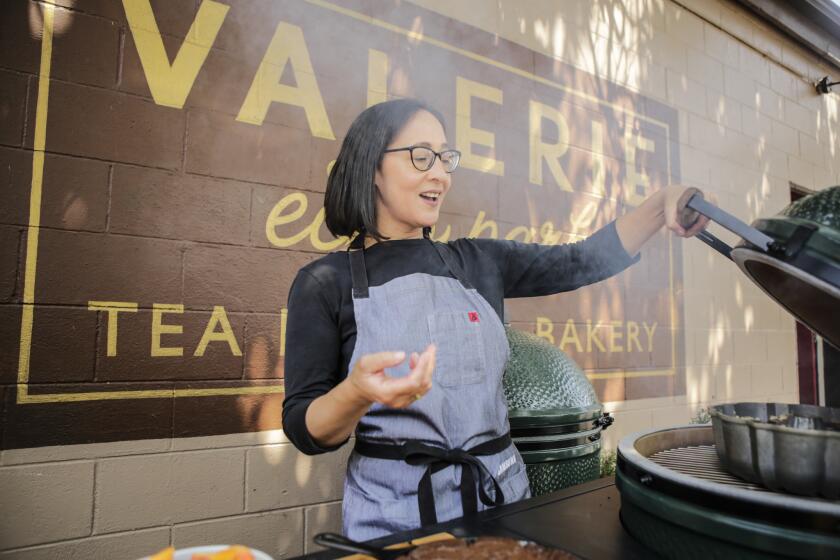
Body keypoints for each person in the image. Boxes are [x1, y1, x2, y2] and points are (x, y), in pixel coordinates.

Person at [281, 98, 708, 541]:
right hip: (393, 524)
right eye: (421, 156)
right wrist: (356, 392)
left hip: (502, 510)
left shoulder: (478, 262)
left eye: (445, 158)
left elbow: (582, 261)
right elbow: (306, 429)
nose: (440, 174)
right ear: (372, 166)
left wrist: (660, 206)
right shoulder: (323, 283)